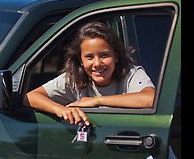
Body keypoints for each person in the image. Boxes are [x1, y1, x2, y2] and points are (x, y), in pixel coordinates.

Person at [24, 21, 156, 125]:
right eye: (89, 57)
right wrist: (61, 110)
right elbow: (30, 97)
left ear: (116, 56)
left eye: (104, 55)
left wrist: (97, 101)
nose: (97, 63)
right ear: (80, 60)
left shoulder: (131, 73)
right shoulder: (73, 78)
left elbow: (151, 99)